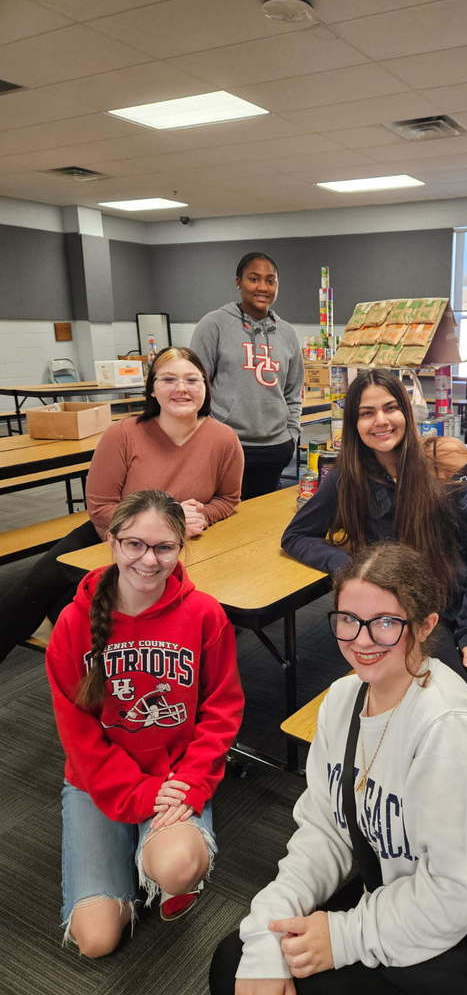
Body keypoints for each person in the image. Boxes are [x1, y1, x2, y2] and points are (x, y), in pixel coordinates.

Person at [209, 541, 467, 995]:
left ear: (425, 626)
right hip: (397, 892)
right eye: (347, 620)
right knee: (237, 962)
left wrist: (344, 936)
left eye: (385, 623)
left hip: (465, 928)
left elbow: (459, 893)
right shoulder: (342, 702)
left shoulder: (448, 730)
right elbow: (325, 830)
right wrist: (268, 927)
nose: (362, 640)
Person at [281, 370, 467, 855]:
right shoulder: (348, 476)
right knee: (452, 728)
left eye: (389, 408)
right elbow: (296, 536)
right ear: (353, 423)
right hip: (405, 625)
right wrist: (359, 567)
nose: (380, 421)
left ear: (407, 411)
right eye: (366, 413)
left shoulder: (448, 461)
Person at [45, 489, 244, 957]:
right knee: (96, 941)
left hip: (173, 776)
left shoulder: (204, 614)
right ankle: (139, 849)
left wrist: (190, 783)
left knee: (175, 866)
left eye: (163, 547)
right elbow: (78, 734)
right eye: (134, 544)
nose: (149, 560)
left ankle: (160, 859)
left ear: (181, 548)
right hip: (100, 779)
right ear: (112, 544)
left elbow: (221, 710)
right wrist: (137, 796)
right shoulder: (74, 624)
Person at [0, 346, 243, 663]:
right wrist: (168, 521)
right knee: (32, 588)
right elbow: (101, 507)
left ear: (205, 387)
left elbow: (228, 499)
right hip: (109, 532)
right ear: (152, 389)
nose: (181, 388)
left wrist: (200, 517)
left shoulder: (224, 439)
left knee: (89, 611)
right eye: (168, 379)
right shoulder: (123, 434)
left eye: (192, 380)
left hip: (176, 546)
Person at [191, 251, 304, 499]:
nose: (262, 287)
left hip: (275, 447)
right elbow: (195, 387)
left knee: (261, 520)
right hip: (226, 445)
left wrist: (291, 436)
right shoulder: (214, 325)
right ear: (238, 282)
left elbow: (293, 392)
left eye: (270, 280)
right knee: (222, 517)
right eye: (254, 279)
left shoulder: (287, 333)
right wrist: (205, 435)